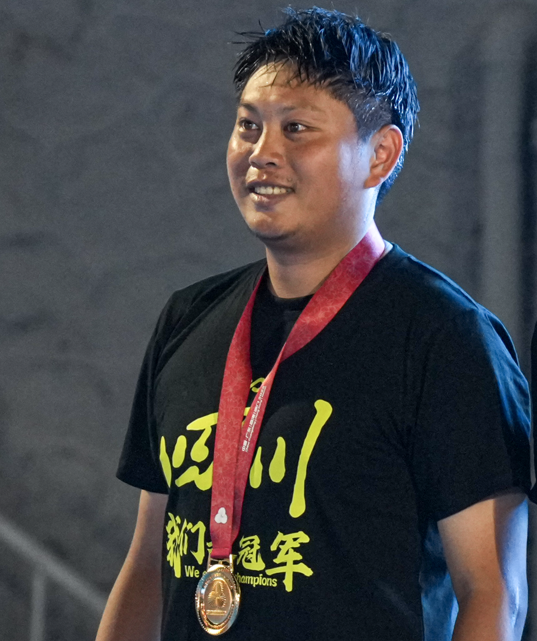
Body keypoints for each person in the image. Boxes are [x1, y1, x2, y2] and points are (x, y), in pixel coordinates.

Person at [96, 7, 533, 641]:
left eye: (296, 129)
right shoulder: (186, 320)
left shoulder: (446, 337)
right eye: (249, 126)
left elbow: (493, 594)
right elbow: (146, 569)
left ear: (380, 154)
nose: (262, 154)